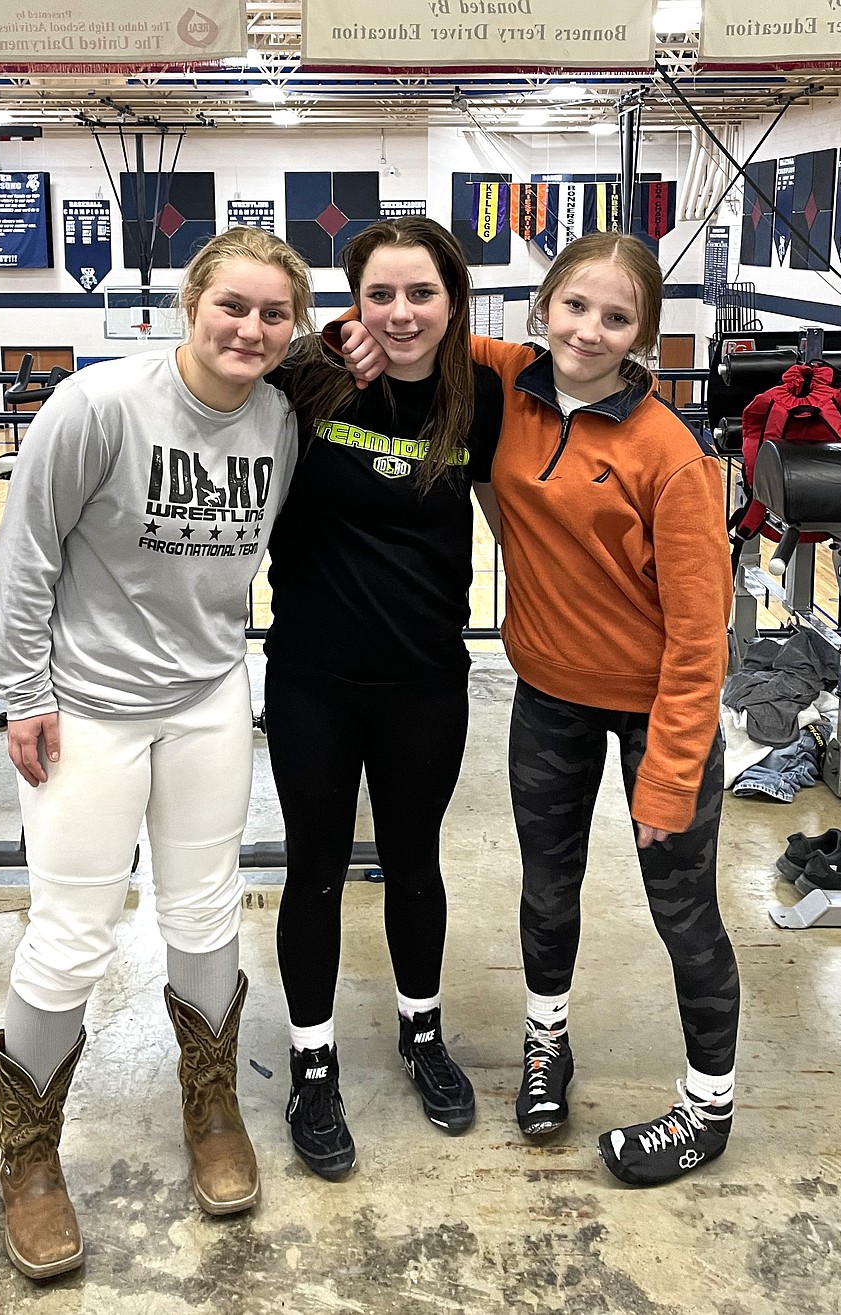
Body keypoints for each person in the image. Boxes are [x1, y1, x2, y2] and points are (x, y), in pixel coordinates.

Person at [337, 230, 739, 1187]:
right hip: (549, 695)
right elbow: (408, 321)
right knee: (547, 889)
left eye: (617, 318)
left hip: (655, 711)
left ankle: (707, 1107)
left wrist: (672, 773)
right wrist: (339, 331)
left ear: (642, 334)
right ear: (542, 307)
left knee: (683, 910)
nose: (590, 332)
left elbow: (700, 637)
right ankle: (546, 1040)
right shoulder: (506, 376)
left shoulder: (671, 456)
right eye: (575, 307)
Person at [0, 226, 313, 1280]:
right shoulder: (98, 405)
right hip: (89, 707)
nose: (252, 329)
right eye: (235, 306)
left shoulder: (277, 419)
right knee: (72, 935)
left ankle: (212, 1103)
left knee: (206, 907)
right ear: (192, 302)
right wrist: (23, 691)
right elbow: (27, 552)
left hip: (211, 697)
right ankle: (29, 1158)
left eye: (275, 313)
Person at [261, 217, 503, 1179]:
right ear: (352, 302)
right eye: (380, 295)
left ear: (453, 304)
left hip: (425, 682)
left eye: (422, 294)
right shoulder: (310, 381)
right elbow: (211, 357)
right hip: (314, 678)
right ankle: (311, 1062)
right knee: (314, 869)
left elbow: (576, 371)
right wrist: (318, 346)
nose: (401, 314)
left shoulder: (480, 395)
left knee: (415, 864)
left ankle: (421, 1034)